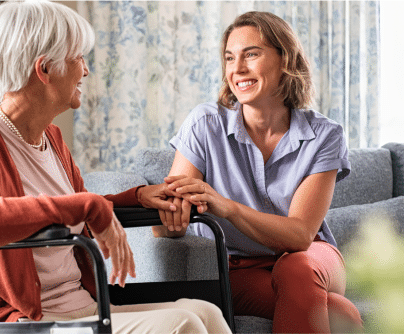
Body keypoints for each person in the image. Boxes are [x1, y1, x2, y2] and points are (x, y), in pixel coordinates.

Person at [0, 1, 232, 333]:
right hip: (23, 318)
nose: (86, 70)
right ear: (44, 69)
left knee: (204, 311)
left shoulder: (51, 139)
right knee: (181, 323)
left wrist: (138, 196)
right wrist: (87, 203)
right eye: (78, 58)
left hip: (80, 307)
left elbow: (76, 209)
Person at [155, 11, 364, 333]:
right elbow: (167, 223)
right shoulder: (205, 124)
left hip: (311, 257)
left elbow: (299, 236)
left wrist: (229, 207)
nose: (237, 69)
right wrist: (171, 217)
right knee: (340, 312)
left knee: (297, 267)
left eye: (251, 54)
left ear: (286, 60)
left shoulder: (325, 135)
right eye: (229, 58)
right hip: (237, 266)